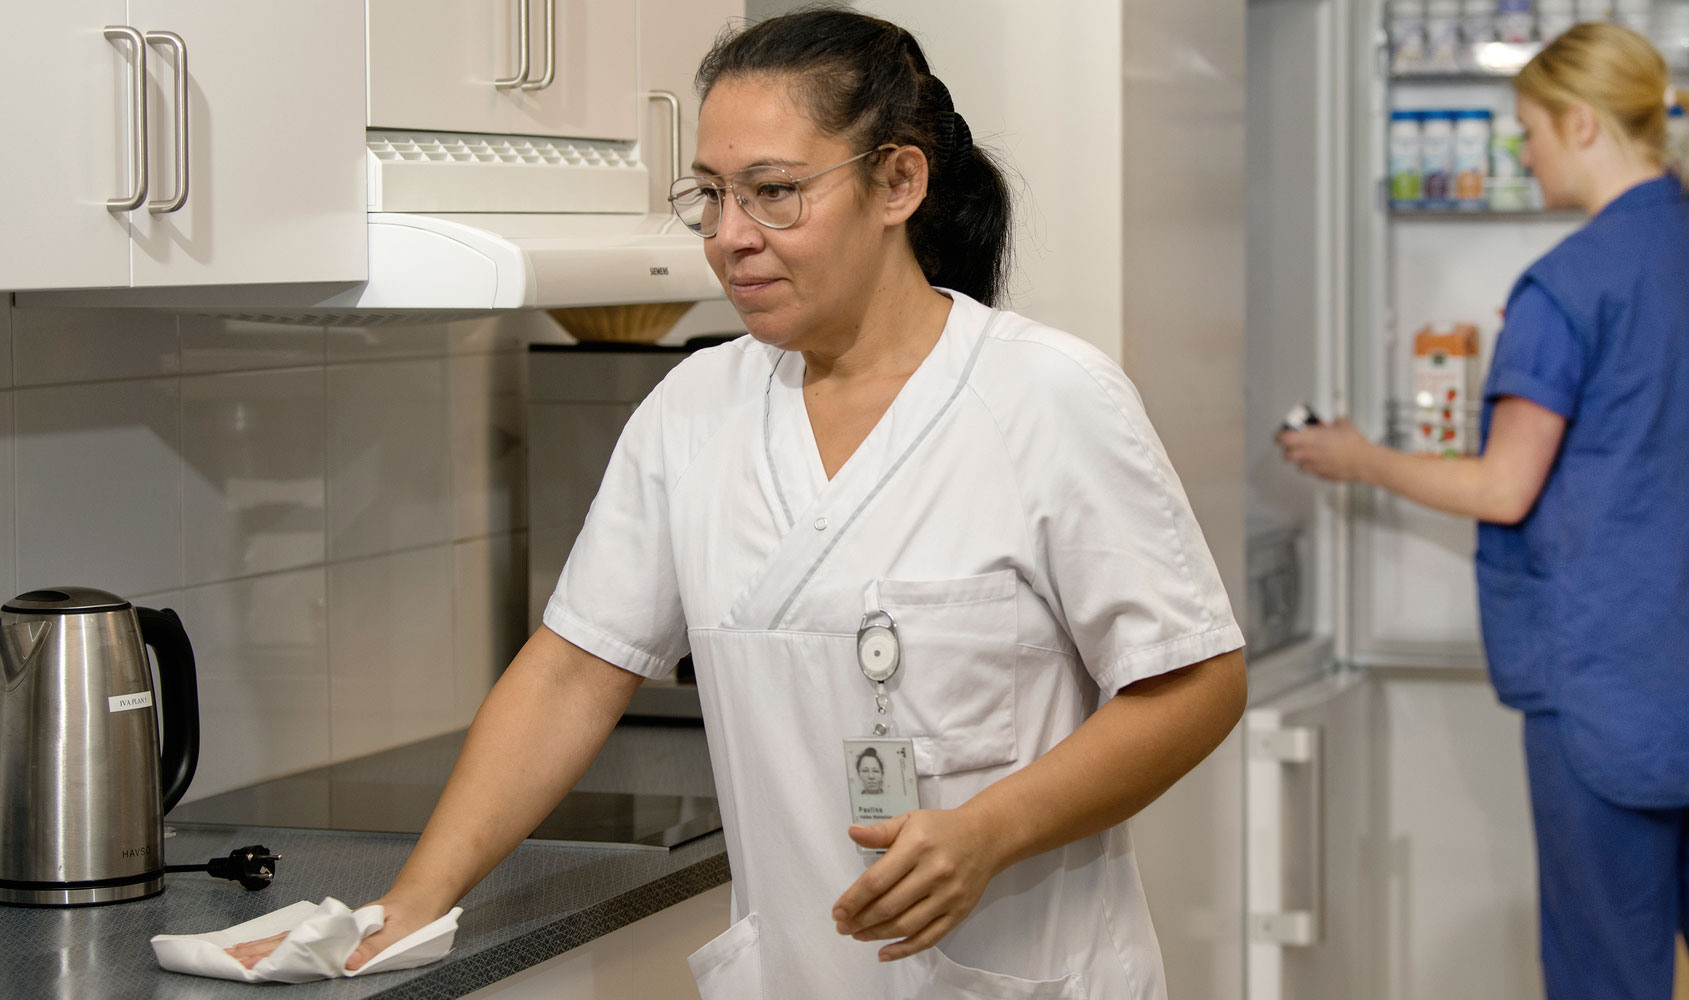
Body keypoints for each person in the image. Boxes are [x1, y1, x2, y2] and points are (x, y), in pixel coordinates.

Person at [227, 7, 1245, 999]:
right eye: (709, 195)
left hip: (1016, 969)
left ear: (897, 181)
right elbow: (574, 670)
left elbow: (1194, 683)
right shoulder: (693, 409)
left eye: (773, 192)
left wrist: (990, 828)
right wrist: (410, 903)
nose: (729, 237)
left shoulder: (1044, 398)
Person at [1277, 23, 1689, 1000]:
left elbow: (1503, 487)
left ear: (1579, 125)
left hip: (1617, 696)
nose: (1520, 153)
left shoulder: (1567, 286)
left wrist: (1359, 457)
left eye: (1525, 130)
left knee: (1604, 975)